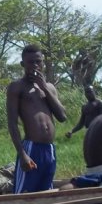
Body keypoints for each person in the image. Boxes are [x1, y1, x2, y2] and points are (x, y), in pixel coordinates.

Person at [6, 44, 68, 193]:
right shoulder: (17, 87)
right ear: (23, 64)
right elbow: (12, 123)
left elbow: (62, 116)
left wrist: (44, 88)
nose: (35, 66)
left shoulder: (50, 88)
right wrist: (22, 154)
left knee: (45, 193)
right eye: (30, 62)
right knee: (23, 195)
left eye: (38, 62)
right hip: (31, 148)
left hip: (49, 149)